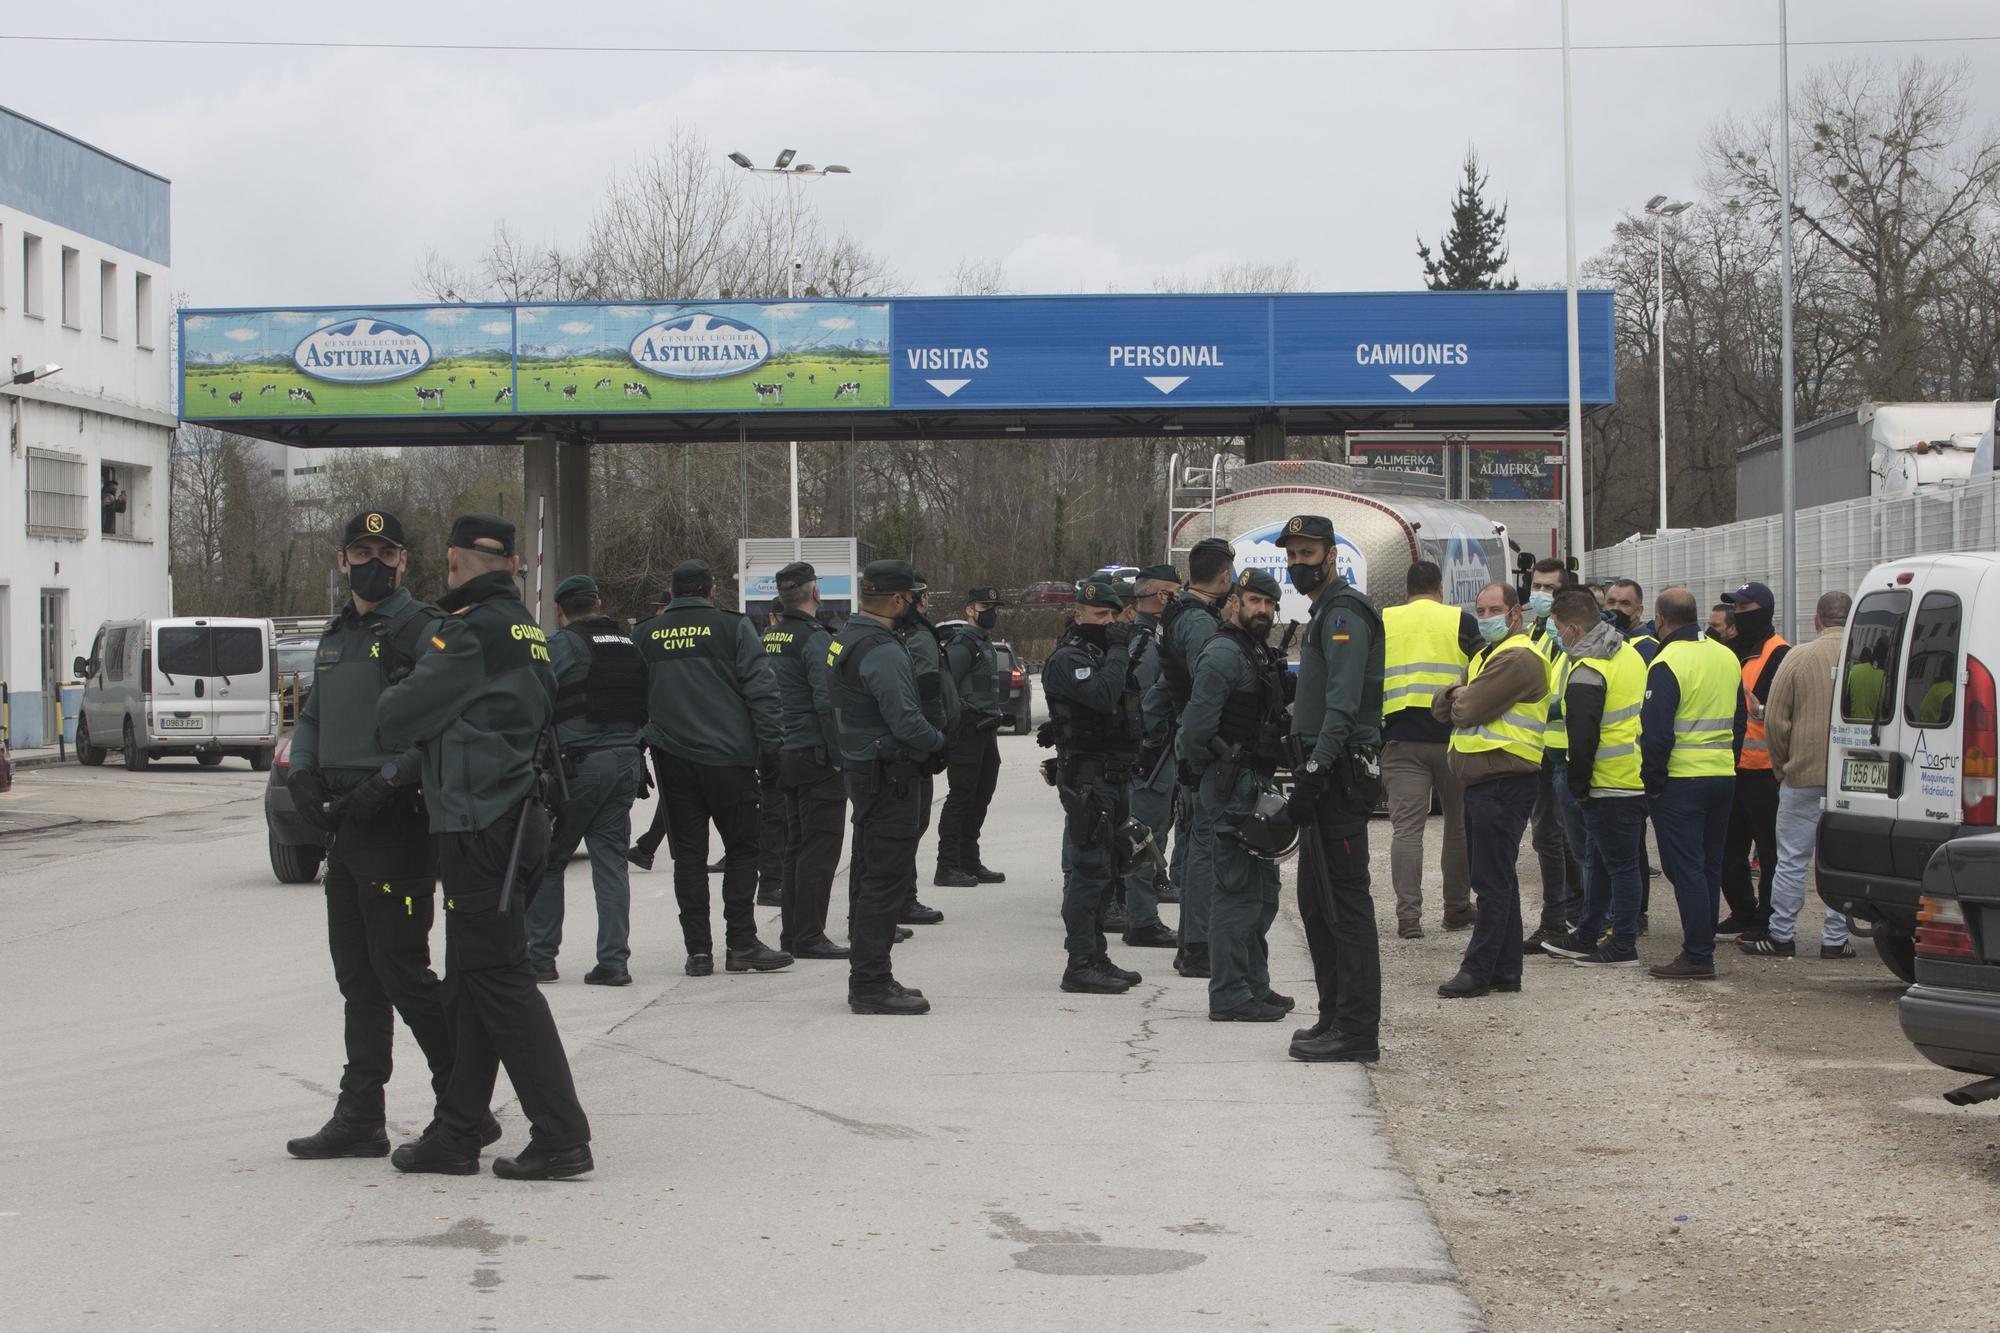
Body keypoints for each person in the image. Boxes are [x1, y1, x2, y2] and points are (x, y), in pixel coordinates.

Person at [378, 513, 592, 1180]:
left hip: (481, 822)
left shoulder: (471, 631)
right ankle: (458, 1126)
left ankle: (562, 1133)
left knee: (497, 978)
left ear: (454, 561)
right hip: (514, 817)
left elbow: (397, 715)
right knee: (472, 980)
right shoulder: (529, 630)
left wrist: (401, 681)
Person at [283, 509, 471, 1162]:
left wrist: (389, 781)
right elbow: (311, 714)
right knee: (358, 976)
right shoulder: (335, 635)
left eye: (385, 552)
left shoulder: (421, 628)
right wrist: (301, 769)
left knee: (405, 973)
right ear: (341, 560)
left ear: (402, 563)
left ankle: (463, 1105)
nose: (372, 562)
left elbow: (447, 715)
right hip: (345, 824)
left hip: (396, 818)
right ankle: (361, 1114)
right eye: (360, 550)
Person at [633, 559, 791, 977]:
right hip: (729, 759)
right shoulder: (733, 627)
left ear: (673, 590)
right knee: (742, 851)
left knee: (688, 857)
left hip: (671, 760)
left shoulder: (645, 633)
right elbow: (762, 689)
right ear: (711, 590)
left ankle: (698, 952)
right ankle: (741, 944)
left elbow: (632, 697)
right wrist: (772, 749)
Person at [1277, 515, 1386, 1062]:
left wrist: (1316, 771)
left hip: (1337, 775)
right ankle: (1333, 1016)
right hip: (1323, 770)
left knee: (1344, 906)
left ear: (1332, 555)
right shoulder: (1323, 612)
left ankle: (1357, 1031)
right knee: (1317, 903)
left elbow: (1342, 706)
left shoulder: (1344, 611)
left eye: (1308, 553)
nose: (1299, 563)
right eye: (1292, 555)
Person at [826, 561, 945, 1014]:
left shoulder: (845, 637)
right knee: (884, 879)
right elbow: (906, 718)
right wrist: (938, 744)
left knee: (868, 872)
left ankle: (870, 975)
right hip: (889, 772)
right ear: (897, 601)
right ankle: (871, 984)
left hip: (864, 766)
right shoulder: (883, 648)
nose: (919, 605)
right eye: (915, 597)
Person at [1178, 568, 1293, 1021]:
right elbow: (1194, 732)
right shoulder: (1224, 653)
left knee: (1262, 892)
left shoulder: (1255, 651)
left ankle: (1254, 984)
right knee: (1234, 893)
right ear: (1235, 602)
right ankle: (1228, 993)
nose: (1262, 610)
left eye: (1269, 603)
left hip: (1254, 783)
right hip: (1230, 785)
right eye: (1254, 601)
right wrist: (1216, 773)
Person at [525, 574, 646, 988]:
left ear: (561, 610)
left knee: (550, 860)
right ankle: (614, 962)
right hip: (627, 761)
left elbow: (535, 696)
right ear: (597, 602)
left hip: (578, 767)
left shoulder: (561, 644)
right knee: (611, 862)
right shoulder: (629, 644)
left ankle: (540, 958)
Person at [1432, 581, 1548, 1000]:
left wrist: (1460, 696)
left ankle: (1478, 969)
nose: (1485, 619)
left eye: (1493, 610)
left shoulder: (1518, 658)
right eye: (1479, 611)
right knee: (1500, 879)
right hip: (1485, 781)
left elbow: (1465, 710)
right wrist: (1455, 693)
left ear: (1516, 613)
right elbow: (1443, 705)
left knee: (1490, 882)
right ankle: (1505, 969)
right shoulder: (1487, 655)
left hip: (1504, 780)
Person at [1042, 576, 1146, 996]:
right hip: (1089, 780)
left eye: (1111, 615)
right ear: (1078, 615)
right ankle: (1080, 962)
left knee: (1108, 870)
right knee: (1088, 871)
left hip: (1114, 775)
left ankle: (1097, 955)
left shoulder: (1104, 655)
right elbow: (1103, 696)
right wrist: (1119, 650)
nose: (1106, 622)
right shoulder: (1071, 658)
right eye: (1098, 615)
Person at [1538, 591, 1649, 967]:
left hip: (1606, 780)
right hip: (1628, 774)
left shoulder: (1589, 666)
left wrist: (1578, 783)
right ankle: (1588, 933)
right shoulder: (1627, 653)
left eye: (1556, 627)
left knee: (1619, 867)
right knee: (1604, 863)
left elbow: (1582, 733)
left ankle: (1623, 944)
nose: (1555, 634)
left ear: (1572, 629)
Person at [1743, 590, 1856, 960]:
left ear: (1817, 620)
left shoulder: (1798, 657)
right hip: (1853, 781)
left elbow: (1775, 720)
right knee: (1840, 861)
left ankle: (1781, 935)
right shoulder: (1871, 656)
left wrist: (1782, 766)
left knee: (1791, 859)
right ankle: (1835, 939)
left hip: (1802, 774)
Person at [1144, 536, 1236, 979]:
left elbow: (1164, 685)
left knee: (1194, 843)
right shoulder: (1198, 622)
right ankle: (1197, 944)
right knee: (1203, 847)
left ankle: (1194, 942)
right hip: (1203, 744)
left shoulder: (1177, 613)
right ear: (1224, 575)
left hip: (1186, 738)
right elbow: (1208, 686)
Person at [1642, 586, 1744, 981]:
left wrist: (1653, 781)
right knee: (1708, 867)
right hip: (1722, 775)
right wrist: (1727, 760)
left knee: (1684, 869)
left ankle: (1699, 954)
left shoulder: (1667, 660)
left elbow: (1655, 734)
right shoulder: (1725, 656)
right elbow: (1738, 719)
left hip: (1681, 780)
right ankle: (1701, 946)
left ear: (1662, 619)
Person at [1378, 560, 1479, 938]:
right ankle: (1456, 908)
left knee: (1406, 831)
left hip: (1401, 739)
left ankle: (1408, 918)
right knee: (1458, 826)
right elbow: (1481, 673)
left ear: (1406, 589)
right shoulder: (1462, 622)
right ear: (1440, 587)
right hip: (1453, 738)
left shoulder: (1385, 620)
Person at [762, 562, 850, 960]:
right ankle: (809, 934)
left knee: (796, 846)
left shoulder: (769, 636)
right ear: (815, 593)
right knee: (820, 848)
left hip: (782, 752)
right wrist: (838, 756)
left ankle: (793, 934)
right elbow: (827, 700)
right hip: (814, 755)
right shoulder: (816, 640)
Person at [1717, 580, 1790, 941]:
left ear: (1762, 612)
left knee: (1769, 852)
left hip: (1764, 773)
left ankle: (1766, 918)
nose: (1737, 616)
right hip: (1731, 768)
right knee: (1729, 852)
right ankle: (1742, 912)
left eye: (1743, 610)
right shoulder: (1729, 651)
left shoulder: (1781, 654)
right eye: (1734, 610)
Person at [1117, 566, 1182, 949]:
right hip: (1150, 756)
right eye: (1175, 593)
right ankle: (1141, 920)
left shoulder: (1144, 635)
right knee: (1145, 837)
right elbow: (1144, 702)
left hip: (1148, 753)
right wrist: (1153, 745)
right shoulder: (1148, 641)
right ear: (1161, 597)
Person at [1524, 557, 1584, 953]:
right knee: (1552, 837)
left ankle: (1564, 918)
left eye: (1549, 589)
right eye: (1537, 587)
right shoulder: (1538, 631)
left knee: (1560, 838)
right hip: (1540, 747)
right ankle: (1566, 914)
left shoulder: (1568, 637)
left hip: (1563, 750)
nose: (1540, 594)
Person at [936, 585, 1008, 887]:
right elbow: (945, 686)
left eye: (994, 607)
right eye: (984, 606)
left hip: (987, 728)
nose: (991, 611)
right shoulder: (963, 644)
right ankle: (947, 865)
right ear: (969, 609)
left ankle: (969, 860)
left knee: (981, 796)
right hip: (968, 730)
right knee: (961, 796)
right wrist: (962, 717)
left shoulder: (983, 642)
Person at [897, 577, 957, 926]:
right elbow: (927, 686)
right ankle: (903, 898)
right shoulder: (918, 635)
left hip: (914, 741)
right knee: (910, 825)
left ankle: (903, 896)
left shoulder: (907, 633)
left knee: (908, 826)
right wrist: (936, 736)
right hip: (918, 743)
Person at [756, 599, 789, 908]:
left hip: (766, 738)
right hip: (790, 738)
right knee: (781, 815)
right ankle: (771, 882)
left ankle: (773, 880)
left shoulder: (759, 642)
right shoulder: (806, 638)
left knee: (773, 813)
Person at [1605, 579, 1659, 661]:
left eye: (1625, 603)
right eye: (1611, 602)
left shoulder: (1648, 648)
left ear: (1639, 611)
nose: (1616, 608)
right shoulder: (1600, 639)